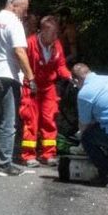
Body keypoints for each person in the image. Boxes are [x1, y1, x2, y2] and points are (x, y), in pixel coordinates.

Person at [0, 0, 36, 177]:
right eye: (24, 10)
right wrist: (30, 77)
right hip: (7, 76)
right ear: (13, 6)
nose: (25, 15)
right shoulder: (14, 23)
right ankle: (4, 164)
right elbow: (19, 51)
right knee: (8, 122)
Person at [19, 16, 72, 167]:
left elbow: (60, 66)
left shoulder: (56, 45)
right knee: (31, 121)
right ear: (43, 31)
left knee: (49, 120)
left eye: (57, 33)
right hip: (32, 87)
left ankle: (48, 154)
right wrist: (26, 82)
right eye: (53, 33)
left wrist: (69, 76)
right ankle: (28, 155)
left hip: (48, 88)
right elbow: (22, 64)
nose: (56, 37)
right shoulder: (30, 43)